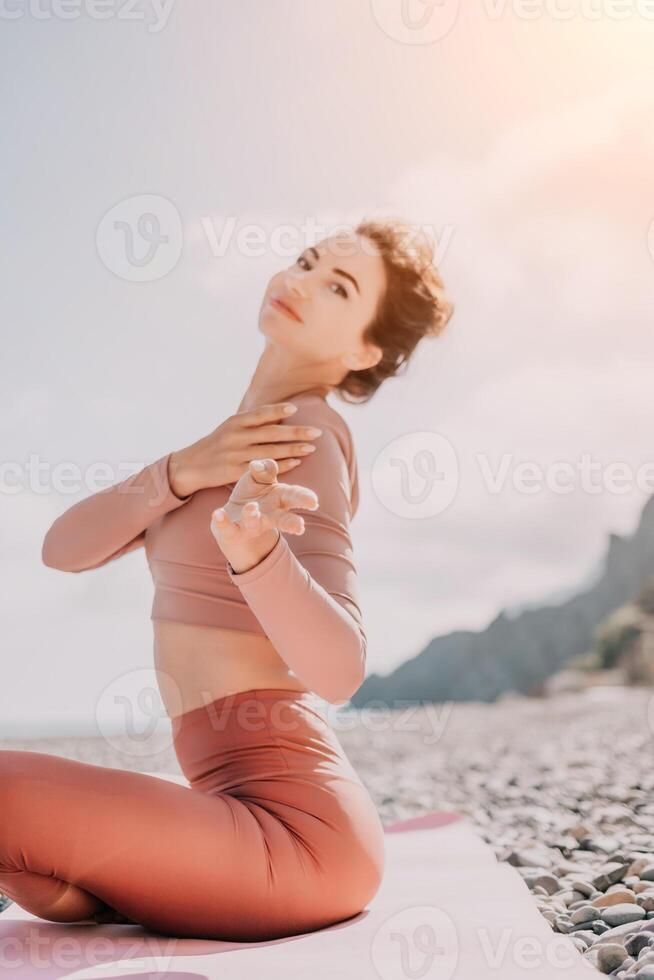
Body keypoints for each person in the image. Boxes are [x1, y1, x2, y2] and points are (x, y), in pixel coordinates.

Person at [0, 218, 453, 941]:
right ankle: (130, 895)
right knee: (32, 876)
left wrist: (257, 553)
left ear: (366, 348)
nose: (301, 281)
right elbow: (64, 550)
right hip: (238, 810)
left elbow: (339, 670)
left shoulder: (305, 434)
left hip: (298, 834)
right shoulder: (229, 443)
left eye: (338, 285)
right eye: (305, 262)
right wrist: (179, 471)